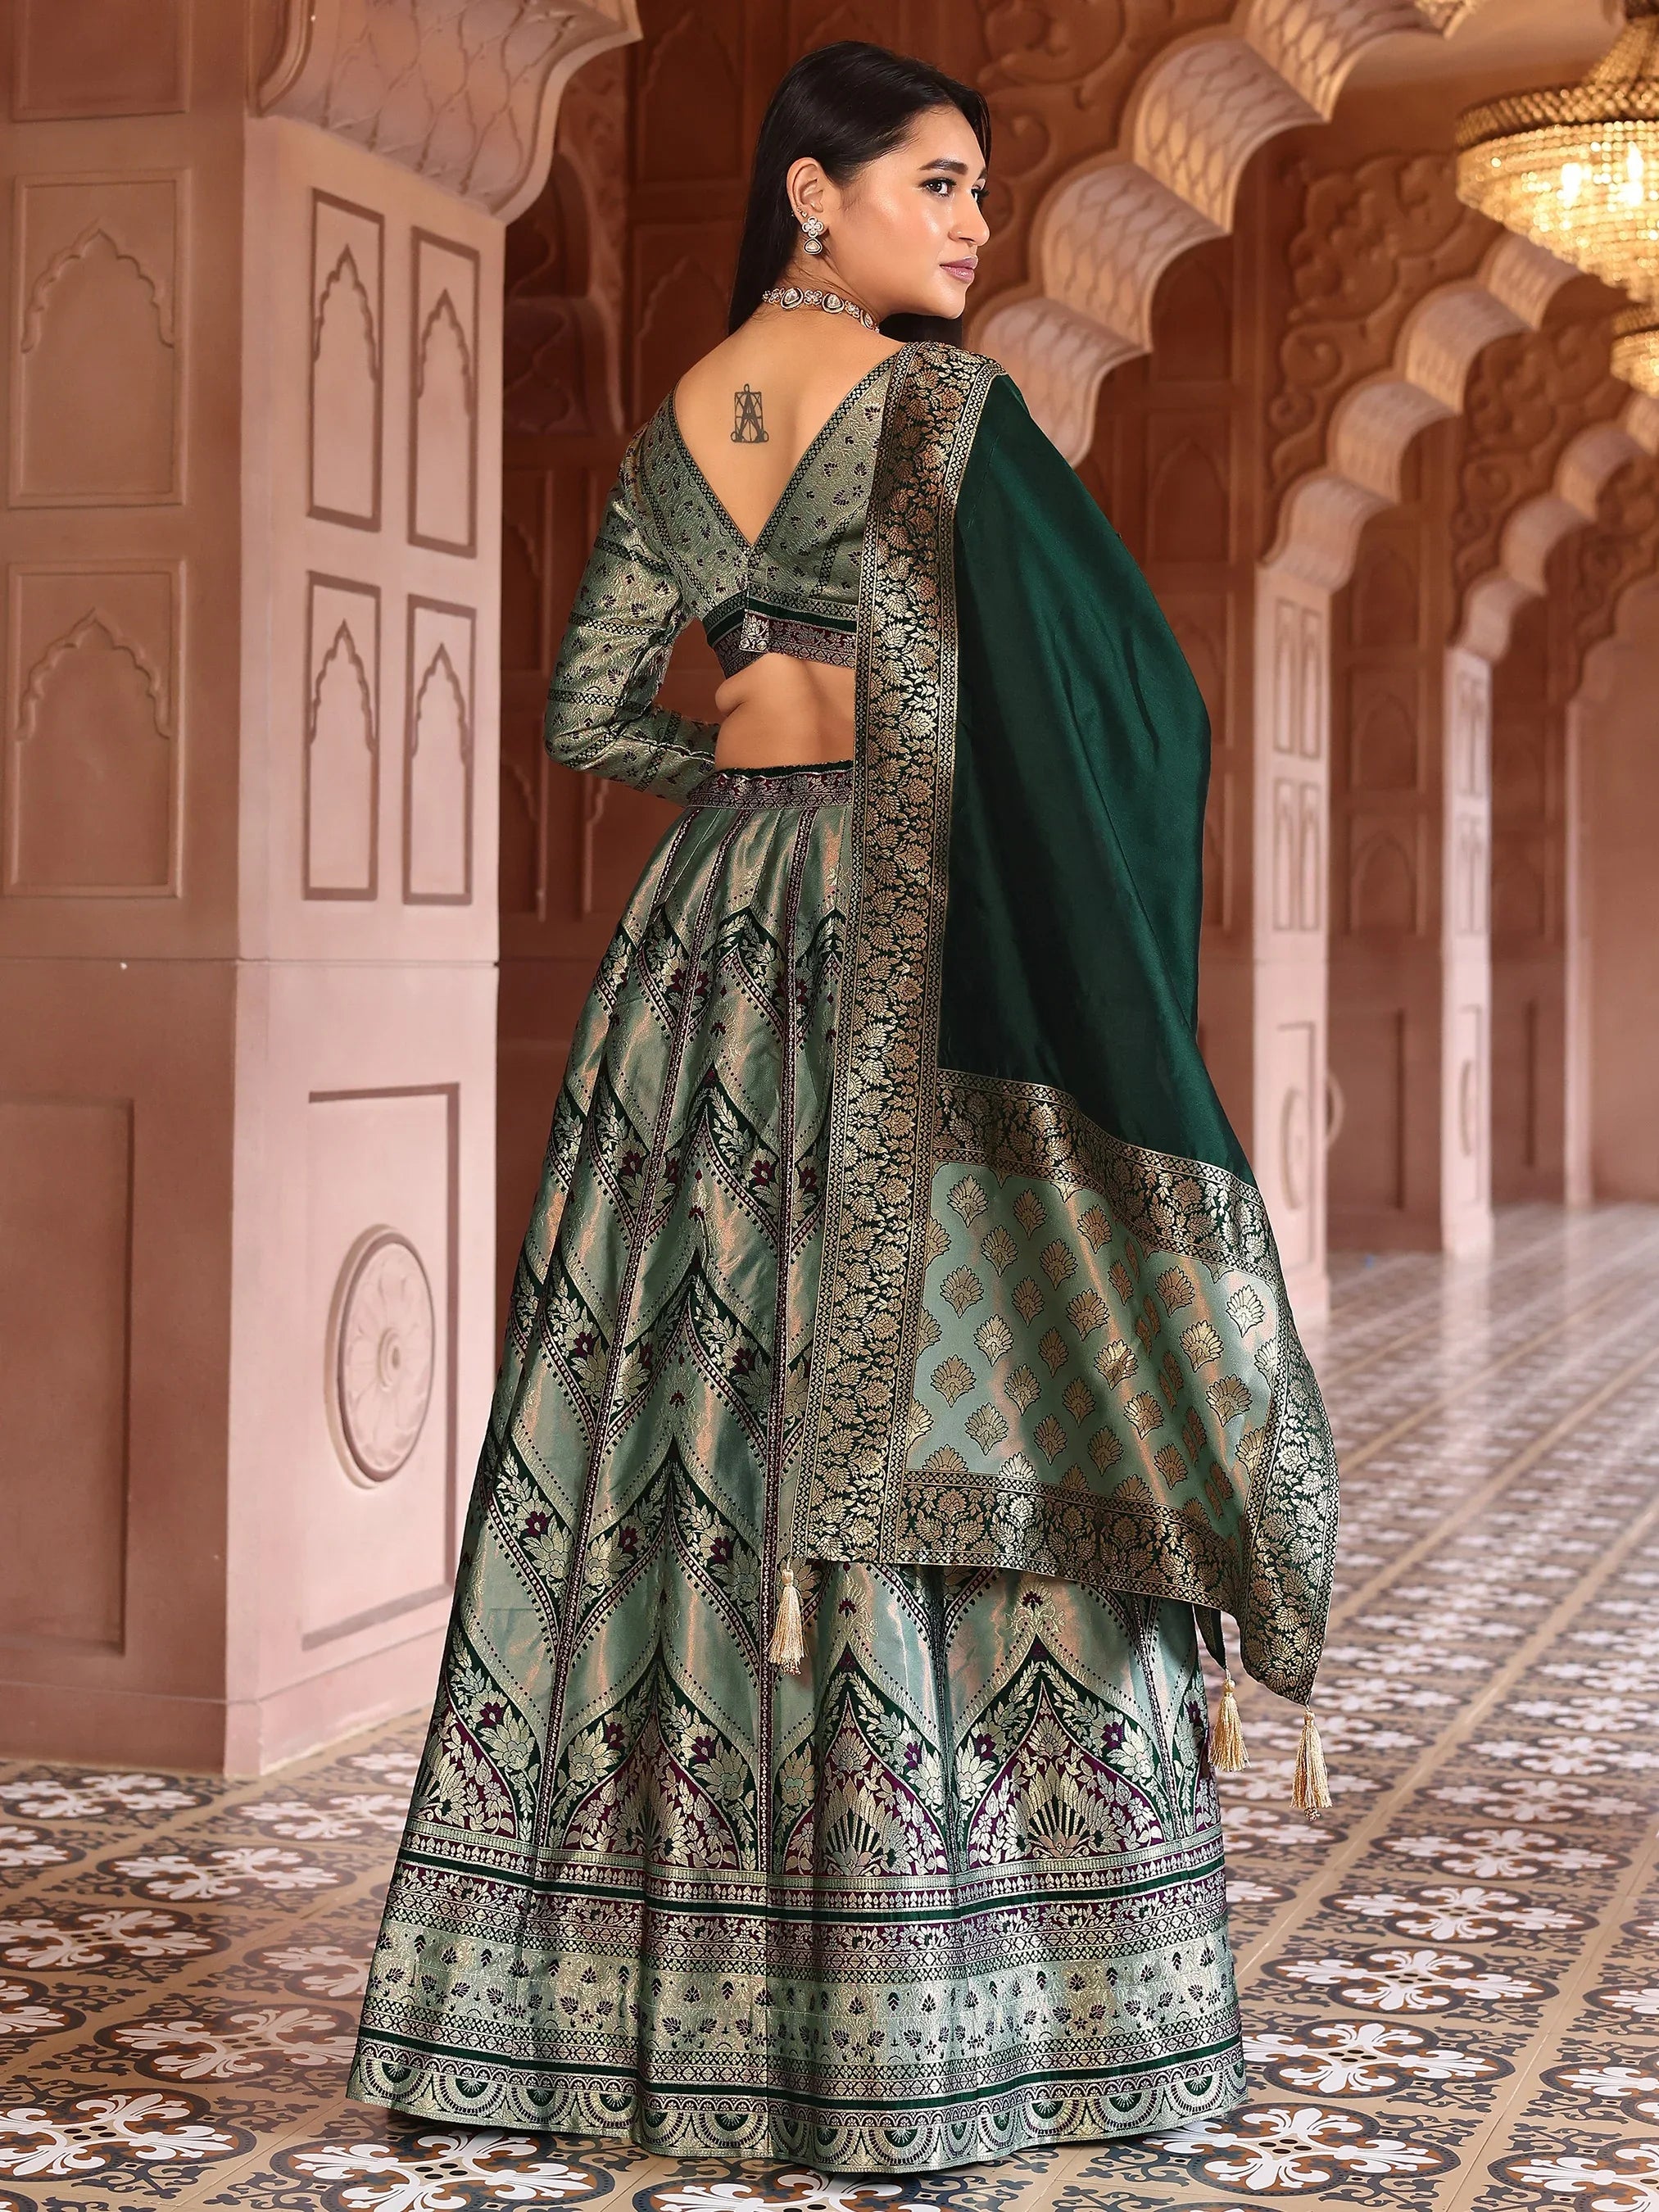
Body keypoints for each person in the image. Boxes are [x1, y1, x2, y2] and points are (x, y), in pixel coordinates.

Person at [351, 39, 1339, 2175]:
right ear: (818, 193)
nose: (975, 226)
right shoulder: (940, 414)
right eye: (941, 183)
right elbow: (1136, 709)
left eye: (983, 190)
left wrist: (754, 736)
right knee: (921, 1412)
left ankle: (606, 2011)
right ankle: (927, 2026)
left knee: (673, 1420)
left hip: (707, 952)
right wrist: (969, 775)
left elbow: (595, 704)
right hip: (908, 946)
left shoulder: (696, 405)